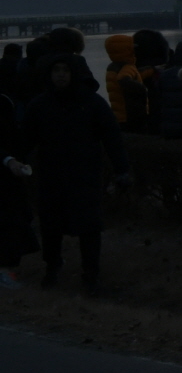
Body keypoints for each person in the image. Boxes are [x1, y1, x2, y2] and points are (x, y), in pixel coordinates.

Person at [21, 56, 128, 292]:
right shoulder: (39, 105)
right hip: (51, 174)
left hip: (85, 174)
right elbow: (25, 141)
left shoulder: (93, 103)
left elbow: (112, 138)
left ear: (74, 74)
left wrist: (122, 169)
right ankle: (52, 269)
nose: (60, 75)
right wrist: (13, 163)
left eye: (65, 71)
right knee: (50, 226)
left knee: (89, 227)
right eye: (56, 70)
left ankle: (91, 275)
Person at [0, 86, 37, 290]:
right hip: (8, 174)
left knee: (12, 223)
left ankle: (8, 272)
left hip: (9, 178)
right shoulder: (7, 100)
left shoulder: (6, 101)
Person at [102, 34, 148, 133]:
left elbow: (135, 76)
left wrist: (150, 70)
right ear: (127, 50)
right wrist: (143, 88)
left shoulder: (113, 67)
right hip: (130, 114)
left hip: (119, 114)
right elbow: (123, 79)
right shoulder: (127, 66)